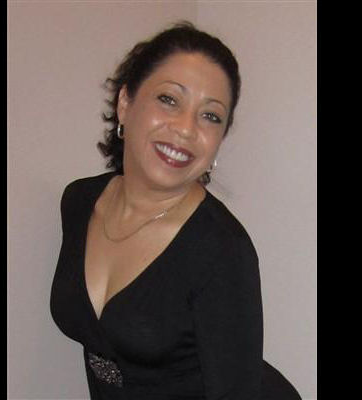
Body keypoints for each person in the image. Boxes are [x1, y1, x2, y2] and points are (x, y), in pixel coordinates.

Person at [50, 21, 302, 400]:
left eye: (210, 116)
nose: (185, 128)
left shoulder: (221, 249)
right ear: (125, 103)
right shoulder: (79, 202)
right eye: (169, 99)